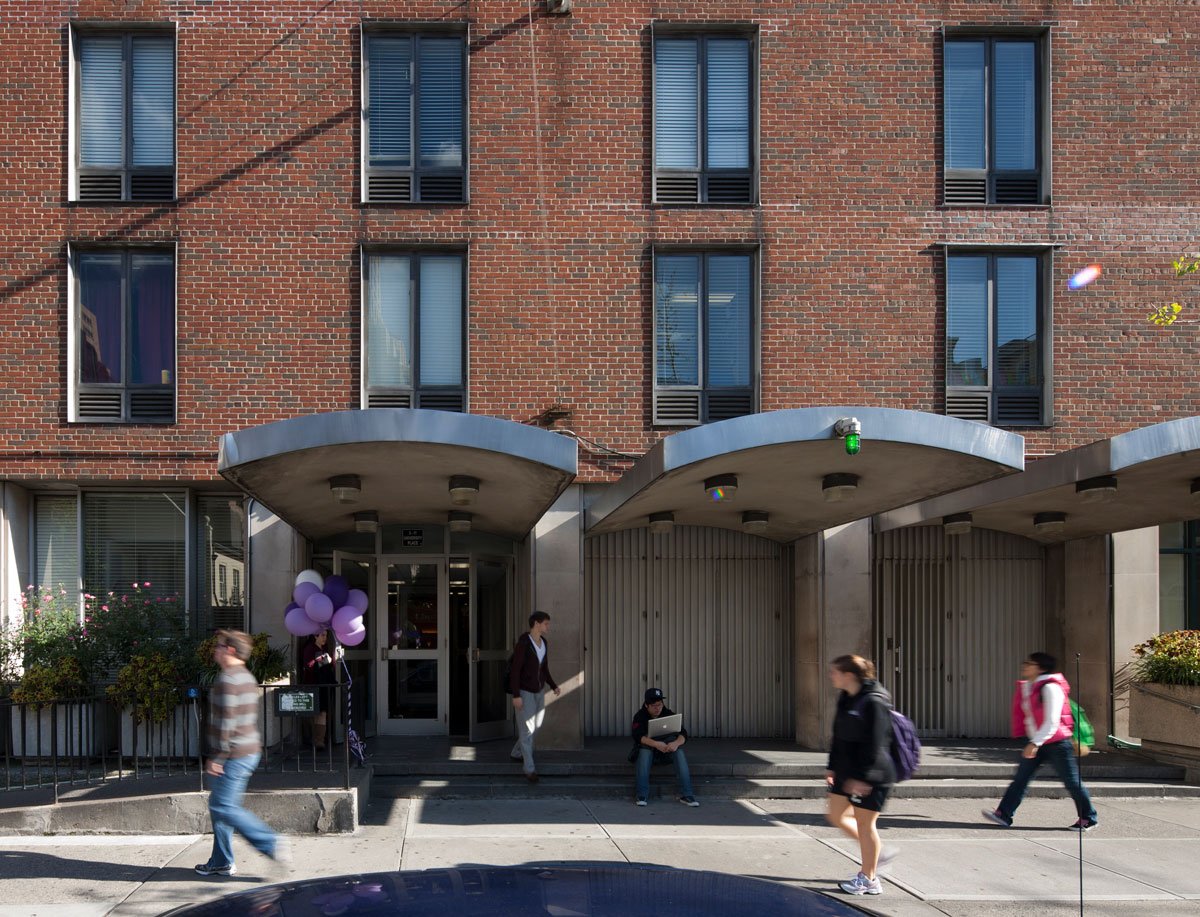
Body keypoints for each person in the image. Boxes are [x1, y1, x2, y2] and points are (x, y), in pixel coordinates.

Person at [195, 629, 290, 877]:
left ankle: (269, 842)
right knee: (221, 807)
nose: (215, 650)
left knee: (223, 807)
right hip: (247, 750)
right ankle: (221, 861)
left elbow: (228, 721)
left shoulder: (228, 680)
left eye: (218, 646)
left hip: (234, 754)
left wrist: (218, 757)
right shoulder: (246, 676)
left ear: (230, 650)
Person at [982, 652, 1099, 832]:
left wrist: (1035, 743)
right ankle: (1004, 814)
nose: (1025, 666)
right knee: (1021, 779)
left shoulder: (1050, 688)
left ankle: (1088, 818)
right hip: (1038, 741)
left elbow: (1052, 721)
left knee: (1072, 782)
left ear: (1040, 668)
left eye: (1029, 663)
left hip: (1057, 744)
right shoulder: (1032, 686)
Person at [826, 654, 897, 897]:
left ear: (849, 675)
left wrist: (864, 777)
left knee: (866, 826)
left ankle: (869, 879)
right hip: (847, 772)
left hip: (872, 775)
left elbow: (877, 744)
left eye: (835, 671)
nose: (831, 675)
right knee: (835, 815)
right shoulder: (846, 697)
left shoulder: (875, 701)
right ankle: (879, 855)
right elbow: (838, 735)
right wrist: (832, 766)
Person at [508, 611, 560, 783]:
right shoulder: (523, 643)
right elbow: (515, 671)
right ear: (536, 624)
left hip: (539, 691)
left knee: (536, 725)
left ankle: (517, 752)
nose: (548, 626)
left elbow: (544, 668)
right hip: (524, 691)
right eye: (546, 623)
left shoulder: (544, 642)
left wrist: (553, 685)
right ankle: (529, 769)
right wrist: (516, 695)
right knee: (527, 729)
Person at [630, 687, 698, 807]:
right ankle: (642, 795)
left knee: (679, 752)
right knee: (645, 751)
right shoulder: (640, 716)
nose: (657, 708)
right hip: (649, 753)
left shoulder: (668, 714)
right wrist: (656, 744)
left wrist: (676, 743)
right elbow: (637, 736)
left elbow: (684, 734)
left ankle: (687, 795)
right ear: (646, 705)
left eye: (660, 704)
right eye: (654, 705)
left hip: (666, 752)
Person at [300, 628, 337, 750]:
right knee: (314, 712)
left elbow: (327, 668)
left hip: (323, 685)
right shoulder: (310, 649)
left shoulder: (323, 649)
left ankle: (319, 740)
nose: (324, 638)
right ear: (315, 636)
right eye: (322, 635)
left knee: (322, 712)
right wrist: (323, 659)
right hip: (313, 684)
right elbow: (309, 665)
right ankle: (312, 739)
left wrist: (332, 660)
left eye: (326, 635)